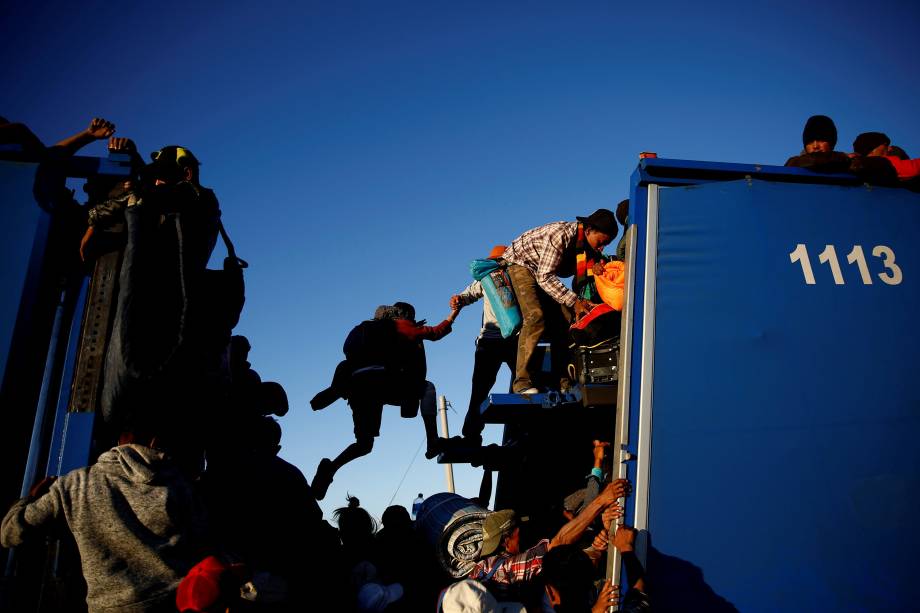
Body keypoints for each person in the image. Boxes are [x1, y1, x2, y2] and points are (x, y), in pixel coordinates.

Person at [1, 425, 207, 613]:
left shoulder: (73, 484)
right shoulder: (179, 485)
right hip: (174, 603)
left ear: (121, 440)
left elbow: (9, 533)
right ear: (154, 442)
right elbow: (206, 548)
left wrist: (29, 499)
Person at [311, 303, 458, 500]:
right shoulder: (399, 326)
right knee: (427, 388)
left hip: (359, 389)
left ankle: (331, 468)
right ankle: (432, 440)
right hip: (384, 383)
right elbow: (436, 332)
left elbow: (347, 353)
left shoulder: (361, 330)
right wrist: (455, 312)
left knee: (364, 444)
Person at [501, 209, 617, 394]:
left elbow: (593, 270)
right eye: (601, 243)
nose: (601, 248)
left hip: (539, 272)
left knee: (565, 318)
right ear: (588, 231)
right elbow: (545, 277)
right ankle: (522, 382)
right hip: (521, 265)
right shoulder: (560, 235)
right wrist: (574, 301)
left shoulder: (587, 248)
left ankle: (562, 381)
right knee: (535, 316)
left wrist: (597, 268)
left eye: (606, 245)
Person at [467, 480, 628, 602]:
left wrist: (596, 546)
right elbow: (559, 542)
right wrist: (602, 501)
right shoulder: (506, 569)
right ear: (507, 539)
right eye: (519, 531)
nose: (523, 535)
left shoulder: (480, 570)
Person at [450, 245, 519, 445]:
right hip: (491, 341)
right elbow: (468, 295)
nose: (498, 265)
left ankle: (521, 428)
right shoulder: (486, 279)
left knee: (522, 385)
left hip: (513, 339)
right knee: (479, 389)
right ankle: (471, 433)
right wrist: (458, 299)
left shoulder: (516, 275)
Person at [784, 115, 851, 172]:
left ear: (831, 143)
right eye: (810, 142)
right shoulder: (794, 163)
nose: (815, 146)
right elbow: (813, 161)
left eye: (821, 140)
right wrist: (842, 157)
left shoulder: (849, 164)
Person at [853, 132, 920, 180]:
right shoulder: (880, 163)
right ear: (871, 150)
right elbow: (912, 168)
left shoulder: (858, 166)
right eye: (885, 145)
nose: (890, 148)